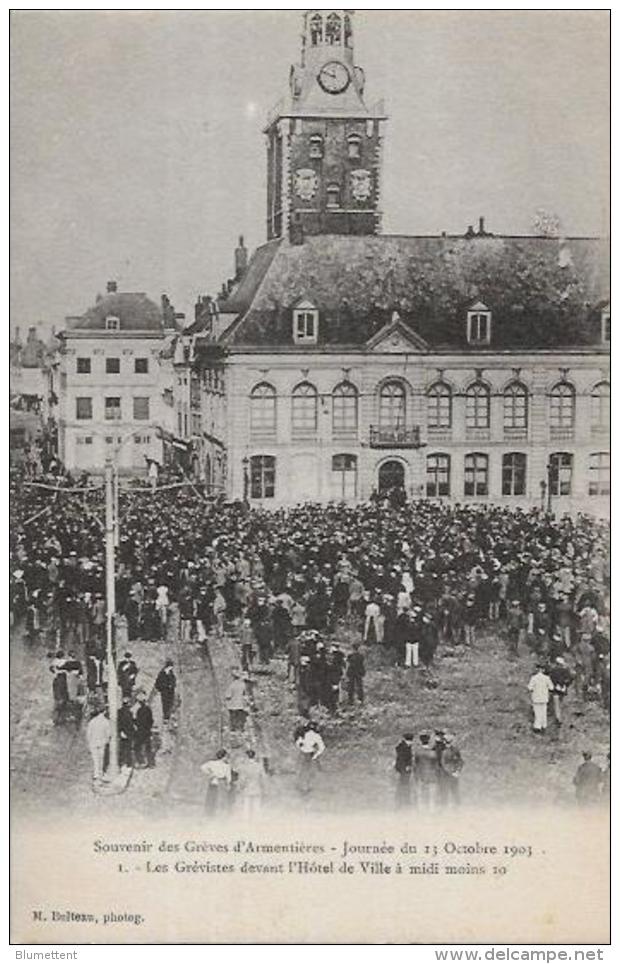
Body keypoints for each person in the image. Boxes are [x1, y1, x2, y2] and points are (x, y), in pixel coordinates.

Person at [295, 721, 325, 794]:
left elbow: (298, 742)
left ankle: (303, 787)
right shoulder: (316, 736)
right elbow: (322, 747)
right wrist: (316, 755)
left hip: (303, 753)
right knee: (307, 771)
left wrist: (300, 747)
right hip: (309, 754)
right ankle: (305, 787)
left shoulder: (304, 734)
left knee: (303, 770)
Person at [413, 731, 440, 809]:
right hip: (431, 776)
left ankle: (421, 809)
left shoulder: (417, 753)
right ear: (428, 741)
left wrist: (416, 775)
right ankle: (432, 810)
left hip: (421, 775)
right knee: (432, 795)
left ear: (421, 741)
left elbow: (415, 765)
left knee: (420, 795)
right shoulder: (433, 753)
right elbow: (436, 766)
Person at [201, 748, 232, 815]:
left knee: (213, 798)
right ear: (223, 757)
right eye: (226, 756)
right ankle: (214, 813)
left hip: (215, 782)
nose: (226, 758)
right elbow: (228, 777)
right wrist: (228, 784)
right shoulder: (225, 765)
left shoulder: (213, 763)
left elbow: (203, 767)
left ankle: (211, 813)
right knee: (217, 798)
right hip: (219, 782)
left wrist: (210, 774)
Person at [86, 707, 111, 786]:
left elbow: (88, 734)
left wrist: (89, 742)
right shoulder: (106, 722)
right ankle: (100, 775)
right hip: (101, 743)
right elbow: (109, 734)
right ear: (104, 712)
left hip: (93, 743)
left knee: (95, 759)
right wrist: (107, 741)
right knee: (101, 759)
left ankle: (96, 774)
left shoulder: (92, 721)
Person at [437, 732, 463, 806]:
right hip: (447, 775)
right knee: (446, 793)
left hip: (451, 775)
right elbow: (444, 764)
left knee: (453, 793)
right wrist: (455, 772)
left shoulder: (454, 750)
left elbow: (460, 761)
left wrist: (458, 771)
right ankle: (447, 809)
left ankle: (456, 809)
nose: (448, 744)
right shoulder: (444, 751)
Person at [237, 748, 265, 818]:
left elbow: (242, 779)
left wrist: (240, 787)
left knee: (246, 806)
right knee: (257, 806)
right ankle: (257, 821)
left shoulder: (244, 766)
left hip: (247, 788)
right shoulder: (259, 766)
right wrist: (263, 787)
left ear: (247, 756)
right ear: (254, 756)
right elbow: (263, 777)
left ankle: (246, 822)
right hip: (257, 787)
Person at [527, 664, 553, 734]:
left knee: (537, 712)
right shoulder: (547, 678)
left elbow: (530, 688)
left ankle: (537, 726)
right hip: (544, 697)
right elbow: (551, 688)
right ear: (543, 670)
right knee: (543, 712)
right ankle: (544, 725)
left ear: (537, 669)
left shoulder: (534, 678)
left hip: (536, 697)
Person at [548, 657, 573, 726]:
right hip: (563, 689)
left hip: (555, 689)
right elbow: (570, 679)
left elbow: (550, 679)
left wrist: (553, 686)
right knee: (560, 703)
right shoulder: (566, 671)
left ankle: (558, 718)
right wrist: (565, 685)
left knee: (556, 704)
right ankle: (559, 717)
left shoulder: (553, 671)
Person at [134, 690, 155, 768]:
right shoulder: (148, 710)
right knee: (148, 747)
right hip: (147, 731)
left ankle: (140, 761)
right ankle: (150, 763)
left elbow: (138, 721)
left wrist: (135, 722)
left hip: (140, 731)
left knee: (137, 747)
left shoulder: (139, 711)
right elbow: (151, 720)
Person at [394, 732, 414, 807]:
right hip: (403, 769)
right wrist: (406, 767)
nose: (411, 742)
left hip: (403, 769)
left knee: (403, 784)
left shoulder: (404, 746)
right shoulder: (404, 748)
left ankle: (403, 800)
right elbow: (402, 759)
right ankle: (403, 800)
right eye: (410, 740)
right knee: (403, 784)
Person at [154, 659, 177, 725]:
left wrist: (172, 685)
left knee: (171, 703)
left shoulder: (171, 672)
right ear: (167, 666)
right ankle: (166, 718)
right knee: (165, 704)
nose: (171, 668)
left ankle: (169, 714)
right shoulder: (161, 674)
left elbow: (174, 680)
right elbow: (158, 683)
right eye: (170, 667)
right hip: (165, 692)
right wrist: (166, 686)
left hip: (171, 691)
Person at [118, 696, 136, 770]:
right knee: (128, 748)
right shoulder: (129, 713)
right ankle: (128, 763)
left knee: (122, 748)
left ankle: (121, 762)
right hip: (128, 732)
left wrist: (120, 731)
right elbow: (130, 723)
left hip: (123, 732)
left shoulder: (119, 712)